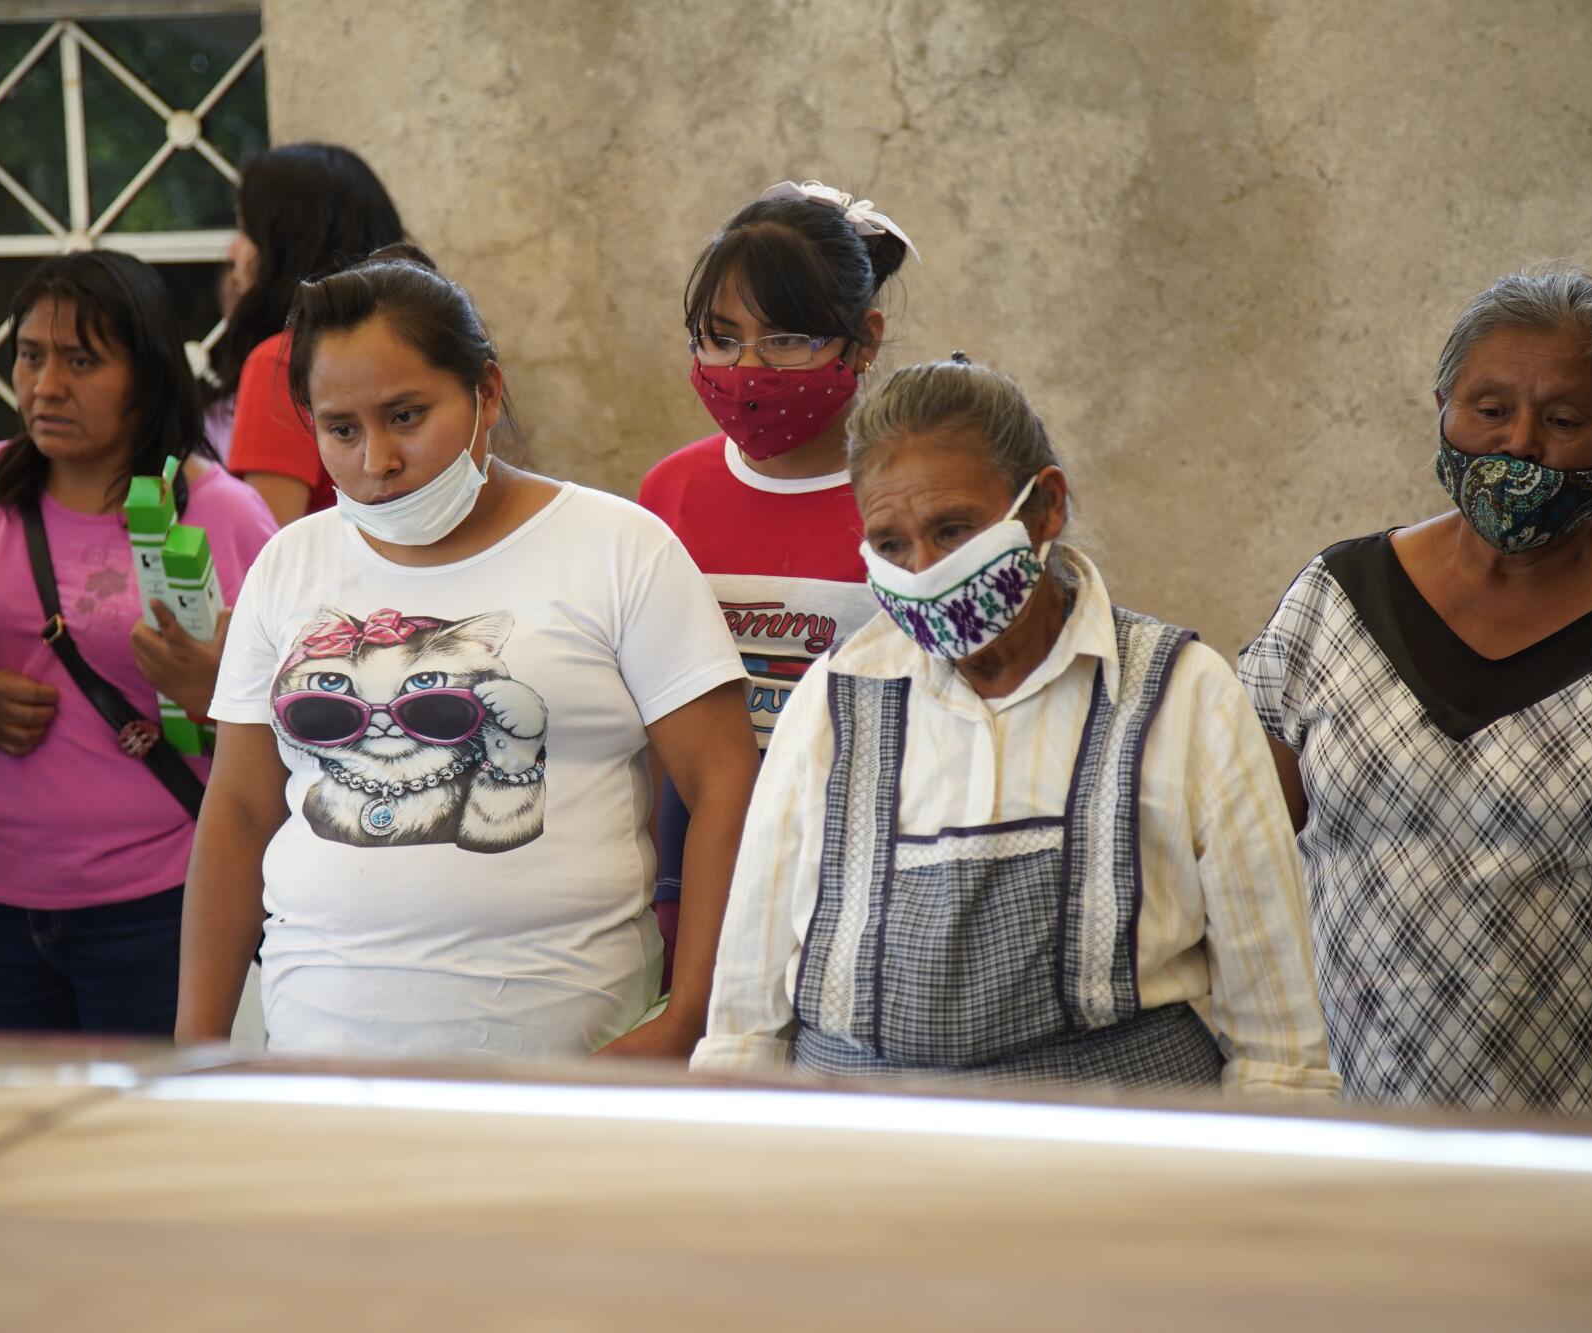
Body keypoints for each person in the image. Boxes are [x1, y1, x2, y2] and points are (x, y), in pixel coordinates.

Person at [693, 359, 1337, 1098]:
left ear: (1045, 507)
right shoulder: (836, 699)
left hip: (1112, 1163)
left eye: (953, 530)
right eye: (892, 545)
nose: (924, 570)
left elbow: (1279, 1047)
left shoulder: (1182, 696)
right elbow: (744, 1027)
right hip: (865, 1163)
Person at [178, 247, 759, 1061]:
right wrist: (197, 1047)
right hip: (316, 1059)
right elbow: (239, 811)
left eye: (407, 416)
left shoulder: (621, 549)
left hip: (574, 1071)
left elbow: (725, 782)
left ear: (486, 392)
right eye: (342, 430)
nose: (377, 461)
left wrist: (688, 1017)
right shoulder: (289, 564)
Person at [1238, 266, 1592, 1118]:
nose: (1520, 445)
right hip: (1366, 1140)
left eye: (1567, 420)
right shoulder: (1335, 600)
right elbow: (1244, 868)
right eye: (1490, 410)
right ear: (1442, 408)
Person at [0, 250, 276, 1036]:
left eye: (81, 361)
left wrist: (211, 690)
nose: (46, 386)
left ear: (146, 373)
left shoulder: (224, 513)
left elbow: (286, 719)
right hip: (0, 887)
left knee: (147, 1141)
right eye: (31, 356)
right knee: (31, 1130)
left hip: (161, 891)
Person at [635, 179, 907, 977]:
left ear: (864, 340)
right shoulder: (667, 495)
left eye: (787, 339)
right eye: (719, 338)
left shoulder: (905, 504)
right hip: (696, 896)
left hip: (862, 896)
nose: (745, 368)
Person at [218, 143, 409, 525]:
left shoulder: (280, 361)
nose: (232, 250)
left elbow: (270, 544)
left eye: (246, 230)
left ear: (288, 243)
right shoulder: (415, 343)